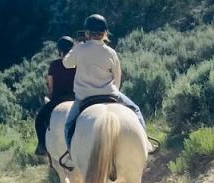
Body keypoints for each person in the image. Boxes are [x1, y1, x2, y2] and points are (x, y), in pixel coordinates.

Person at [63, 14, 146, 148]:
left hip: (84, 97)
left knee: (68, 125)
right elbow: (117, 76)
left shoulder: (80, 49)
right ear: (105, 32)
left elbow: (67, 64)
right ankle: (145, 143)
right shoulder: (111, 52)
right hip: (109, 94)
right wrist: (115, 92)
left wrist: (76, 47)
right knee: (136, 110)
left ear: (87, 32)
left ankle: (70, 154)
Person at [34, 36, 76, 156]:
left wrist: (50, 95)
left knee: (40, 119)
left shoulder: (54, 65)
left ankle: (42, 145)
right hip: (76, 98)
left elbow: (51, 88)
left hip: (58, 100)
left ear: (59, 50)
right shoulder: (77, 64)